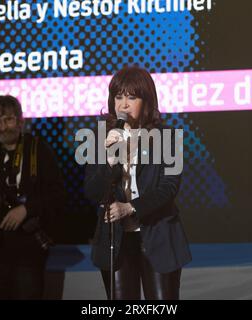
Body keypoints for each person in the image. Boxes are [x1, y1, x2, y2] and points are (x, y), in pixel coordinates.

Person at [84, 66, 192, 300]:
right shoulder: (101, 137)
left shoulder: (168, 137)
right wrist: (110, 161)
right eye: (118, 97)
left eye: (132, 97)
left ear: (147, 101)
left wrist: (130, 208)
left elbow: (169, 188)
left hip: (157, 235)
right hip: (116, 240)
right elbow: (91, 190)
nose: (123, 104)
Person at [0, 95, 66, 299]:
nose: (2, 127)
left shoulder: (38, 149)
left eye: (8, 119)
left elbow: (57, 195)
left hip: (28, 250)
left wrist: (26, 209)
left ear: (20, 120)